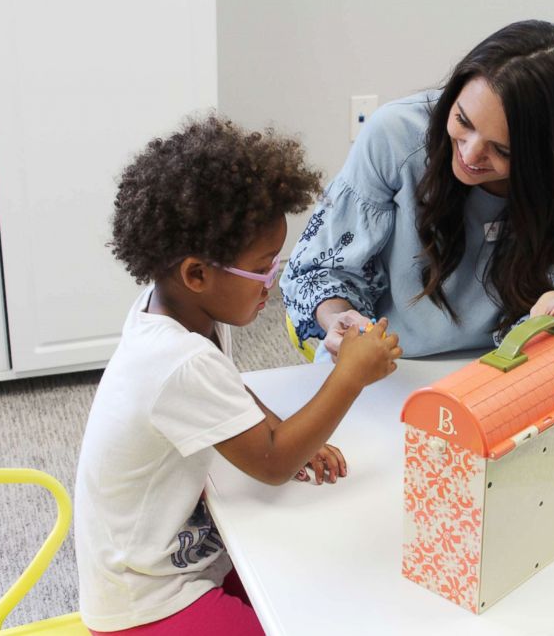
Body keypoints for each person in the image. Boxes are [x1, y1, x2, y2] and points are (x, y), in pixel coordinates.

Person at [74, 115, 401, 635]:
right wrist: (349, 377)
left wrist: (284, 428)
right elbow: (271, 463)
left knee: (309, 583)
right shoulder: (176, 361)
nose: (273, 280)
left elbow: (226, 390)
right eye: (265, 266)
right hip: (147, 602)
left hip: (182, 559)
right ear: (197, 273)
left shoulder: (178, 315)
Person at [281, 19, 554, 360]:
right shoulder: (394, 136)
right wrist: (338, 318)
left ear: (549, 158)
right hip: (387, 362)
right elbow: (320, 270)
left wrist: (553, 312)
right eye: (463, 121)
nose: (469, 154)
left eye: (503, 150)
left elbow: (549, 302)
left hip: (505, 367)